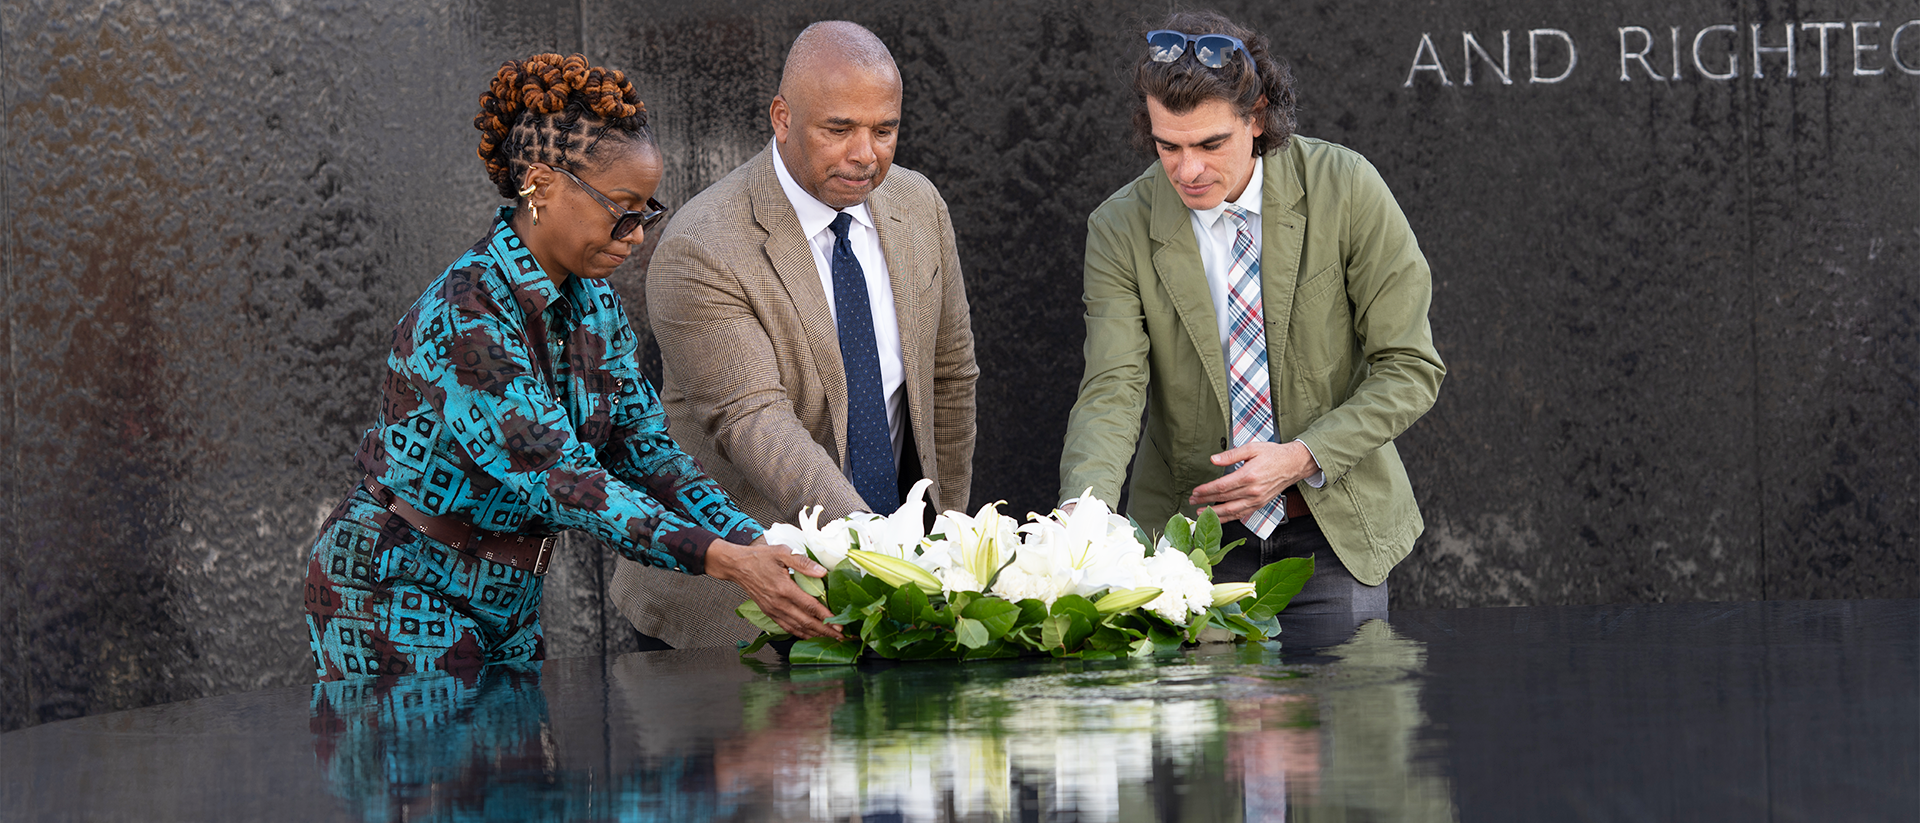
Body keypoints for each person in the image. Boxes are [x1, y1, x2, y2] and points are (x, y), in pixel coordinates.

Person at [302, 53, 838, 681]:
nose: (637, 234)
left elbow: (649, 454)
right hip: (394, 588)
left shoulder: (596, 307)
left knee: (523, 775)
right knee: (443, 772)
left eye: (647, 210)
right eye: (621, 206)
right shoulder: (463, 312)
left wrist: (760, 546)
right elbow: (558, 478)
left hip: (508, 597)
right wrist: (722, 559)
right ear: (540, 185)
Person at [1058, 11, 1444, 613]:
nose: (1187, 170)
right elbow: (1113, 386)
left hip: (1331, 529)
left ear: (1257, 117)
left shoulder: (1346, 187)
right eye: (1168, 146)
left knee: (1346, 704)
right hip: (1186, 544)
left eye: (1211, 144)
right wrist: (1083, 510)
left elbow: (1409, 367)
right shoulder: (1119, 226)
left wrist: (1298, 458)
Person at [611, 21, 978, 649]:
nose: (866, 154)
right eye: (838, 130)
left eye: (884, 131)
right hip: (734, 616)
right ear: (782, 117)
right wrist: (885, 557)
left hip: (895, 597)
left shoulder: (919, 206)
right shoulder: (704, 246)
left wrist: (941, 549)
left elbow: (950, 380)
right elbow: (756, 425)